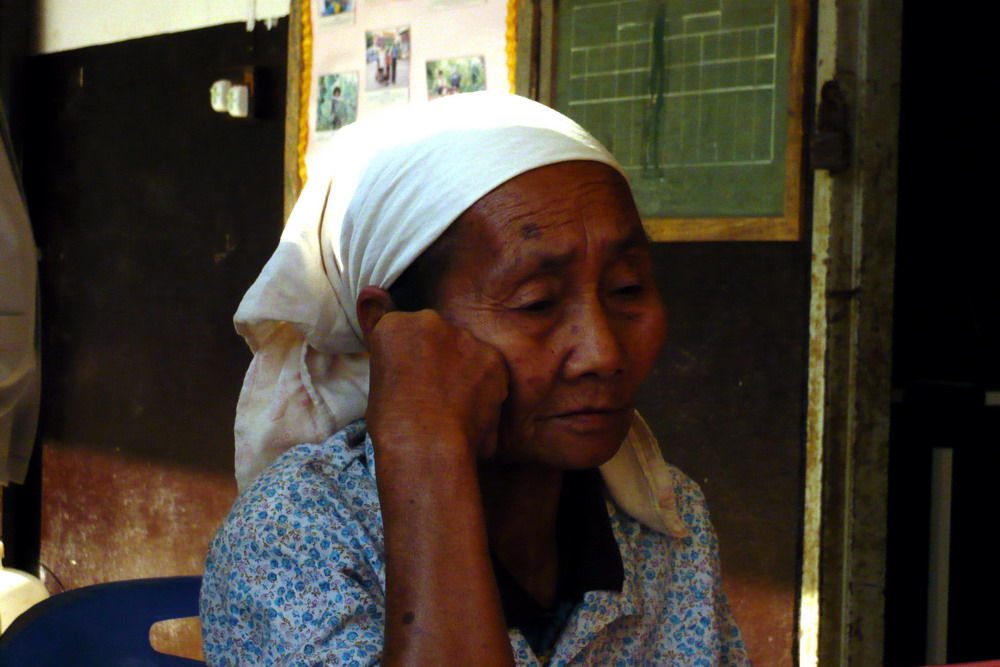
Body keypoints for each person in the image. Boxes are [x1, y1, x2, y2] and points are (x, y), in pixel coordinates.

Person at [200, 92, 748, 666]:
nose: (602, 353)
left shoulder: (663, 518)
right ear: (392, 330)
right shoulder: (296, 532)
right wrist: (427, 448)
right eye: (537, 303)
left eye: (628, 288)